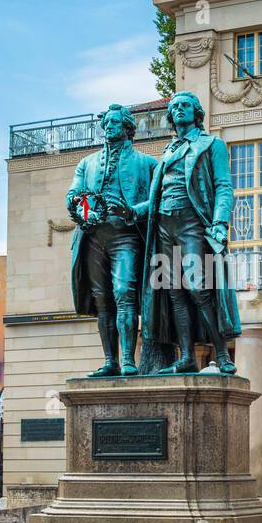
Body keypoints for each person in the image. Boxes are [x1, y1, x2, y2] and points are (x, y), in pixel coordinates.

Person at [140, 90, 241, 374]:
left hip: (192, 223)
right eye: (175, 107)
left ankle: (222, 353)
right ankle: (186, 356)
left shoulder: (211, 144)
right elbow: (155, 197)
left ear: (196, 113)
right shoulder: (167, 151)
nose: (179, 109)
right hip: (163, 226)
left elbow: (223, 186)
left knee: (198, 287)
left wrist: (220, 223)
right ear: (170, 116)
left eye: (185, 105)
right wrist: (132, 211)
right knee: (174, 291)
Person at [66, 103, 156, 376]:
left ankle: (128, 359)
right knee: (102, 299)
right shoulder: (87, 163)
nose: (108, 128)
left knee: (124, 292)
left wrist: (133, 211)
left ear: (128, 128)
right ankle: (110, 361)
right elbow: (72, 196)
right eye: (106, 124)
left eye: (115, 123)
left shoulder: (147, 163)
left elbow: (158, 200)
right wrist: (86, 211)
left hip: (126, 236)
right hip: (93, 237)